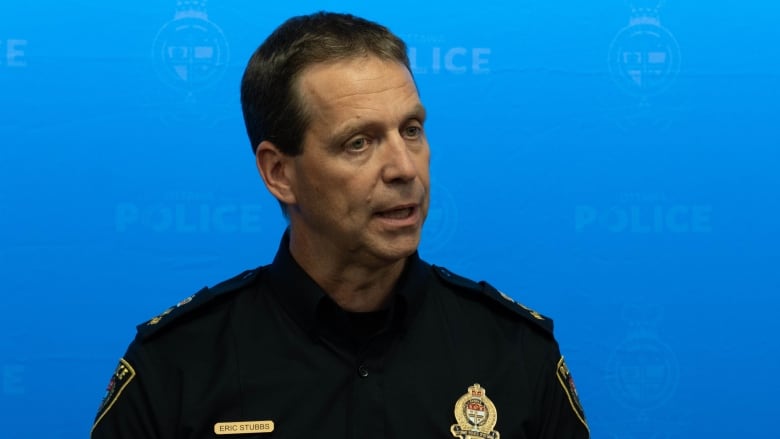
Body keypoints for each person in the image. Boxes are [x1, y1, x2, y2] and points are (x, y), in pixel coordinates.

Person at [91, 11, 589, 439]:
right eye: (359, 142)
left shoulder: (517, 353)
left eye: (411, 130)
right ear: (279, 173)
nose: (404, 168)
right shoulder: (176, 366)